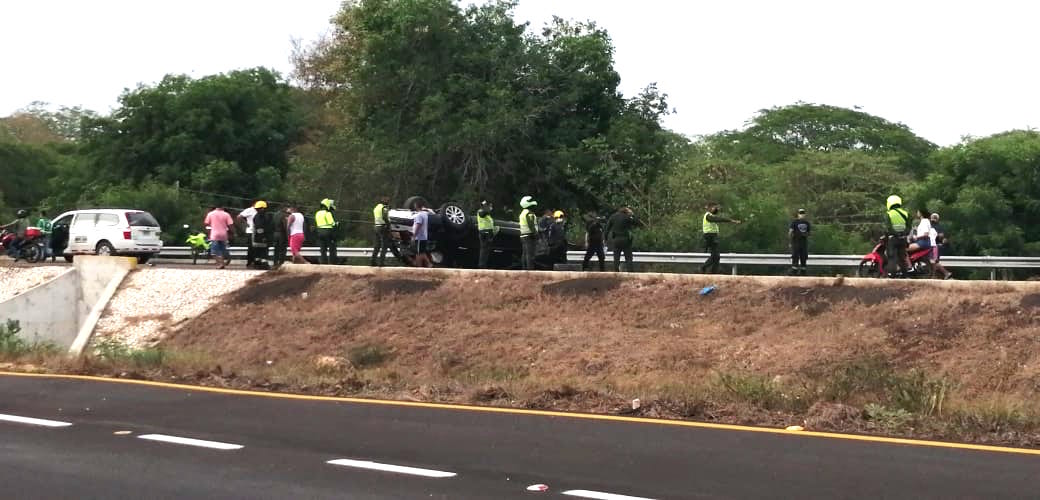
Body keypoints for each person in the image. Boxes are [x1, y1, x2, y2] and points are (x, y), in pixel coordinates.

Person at [700, 202, 741, 274]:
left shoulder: (711, 215)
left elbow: (717, 219)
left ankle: (712, 271)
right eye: (714, 208)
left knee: (716, 256)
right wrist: (731, 220)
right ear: (709, 208)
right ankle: (704, 268)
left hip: (712, 236)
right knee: (716, 255)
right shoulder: (708, 216)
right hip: (710, 236)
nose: (716, 209)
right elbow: (718, 219)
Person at [883, 195, 911, 277]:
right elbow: (909, 227)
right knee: (902, 257)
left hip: (893, 239)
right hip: (903, 239)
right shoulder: (906, 213)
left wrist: (895, 234)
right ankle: (905, 275)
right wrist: (903, 234)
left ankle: (892, 275)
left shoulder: (889, 214)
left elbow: (888, 228)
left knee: (892, 256)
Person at [606, 206, 639, 272]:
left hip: (616, 240)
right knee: (628, 258)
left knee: (616, 258)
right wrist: (632, 214)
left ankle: (616, 273)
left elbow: (607, 229)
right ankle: (630, 272)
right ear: (626, 211)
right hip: (625, 240)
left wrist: (605, 239)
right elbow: (636, 222)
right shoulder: (627, 217)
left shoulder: (612, 217)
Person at [315, 198, 338, 265]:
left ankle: (323, 263)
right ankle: (332, 262)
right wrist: (336, 223)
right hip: (328, 232)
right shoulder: (327, 213)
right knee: (332, 248)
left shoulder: (317, 213)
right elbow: (332, 223)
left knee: (323, 249)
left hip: (319, 232)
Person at [476, 200, 498, 269]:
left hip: (487, 232)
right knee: (484, 250)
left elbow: (489, 224)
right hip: (484, 233)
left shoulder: (487, 214)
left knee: (486, 250)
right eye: (489, 206)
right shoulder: (481, 211)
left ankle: (483, 265)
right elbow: (483, 214)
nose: (491, 207)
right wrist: (487, 206)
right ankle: (481, 265)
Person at [518, 196, 539, 270]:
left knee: (524, 254)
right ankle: (530, 270)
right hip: (529, 235)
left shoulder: (522, 213)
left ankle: (524, 269)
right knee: (530, 254)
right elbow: (531, 224)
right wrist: (536, 233)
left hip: (523, 235)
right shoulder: (529, 213)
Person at [930, 212, 952, 280]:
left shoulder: (938, 227)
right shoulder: (937, 227)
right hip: (934, 246)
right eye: (933, 217)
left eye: (935, 218)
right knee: (933, 261)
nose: (933, 219)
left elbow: (944, 238)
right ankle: (934, 276)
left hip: (935, 246)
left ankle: (944, 273)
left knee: (933, 261)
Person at [789, 208, 811, 275]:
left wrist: (806, 234)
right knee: (795, 256)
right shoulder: (794, 222)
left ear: (805, 214)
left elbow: (809, 233)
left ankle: (803, 271)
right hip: (796, 241)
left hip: (803, 242)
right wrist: (790, 241)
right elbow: (790, 232)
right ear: (798, 214)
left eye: (803, 213)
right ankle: (794, 270)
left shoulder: (807, 223)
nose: (802, 215)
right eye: (800, 213)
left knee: (803, 256)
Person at [411, 199, 432, 268]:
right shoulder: (425, 214)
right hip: (424, 236)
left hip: (419, 237)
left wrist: (414, 236)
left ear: (416, 206)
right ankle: (429, 264)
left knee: (418, 253)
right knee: (422, 252)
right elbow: (429, 211)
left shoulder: (419, 215)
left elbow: (418, 225)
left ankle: (419, 267)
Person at [251, 201, 272, 269]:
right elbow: (262, 227)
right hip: (262, 236)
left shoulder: (256, 216)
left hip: (257, 236)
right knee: (263, 251)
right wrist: (264, 236)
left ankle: (257, 264)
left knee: (258, 251)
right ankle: (264, 264)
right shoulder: (264, 216)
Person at [371, 196, 391, 267]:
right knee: (384, 245)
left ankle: (373, 261)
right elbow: (385, 217)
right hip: (383, 227)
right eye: (388, 201)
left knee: (377, 245)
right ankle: (381, 262)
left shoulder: (376, 207)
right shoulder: (384, 207)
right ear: (385, 202)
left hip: (376, 226)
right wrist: (388, 225)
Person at [237, 202, 259, 267]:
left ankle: (255, 261)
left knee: (256, 248)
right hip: (251, 231)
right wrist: (246, 223)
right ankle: (250, 262)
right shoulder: (249, 210)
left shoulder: (258, 211)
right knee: (251, 248)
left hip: (257, 231)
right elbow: (239, 216)